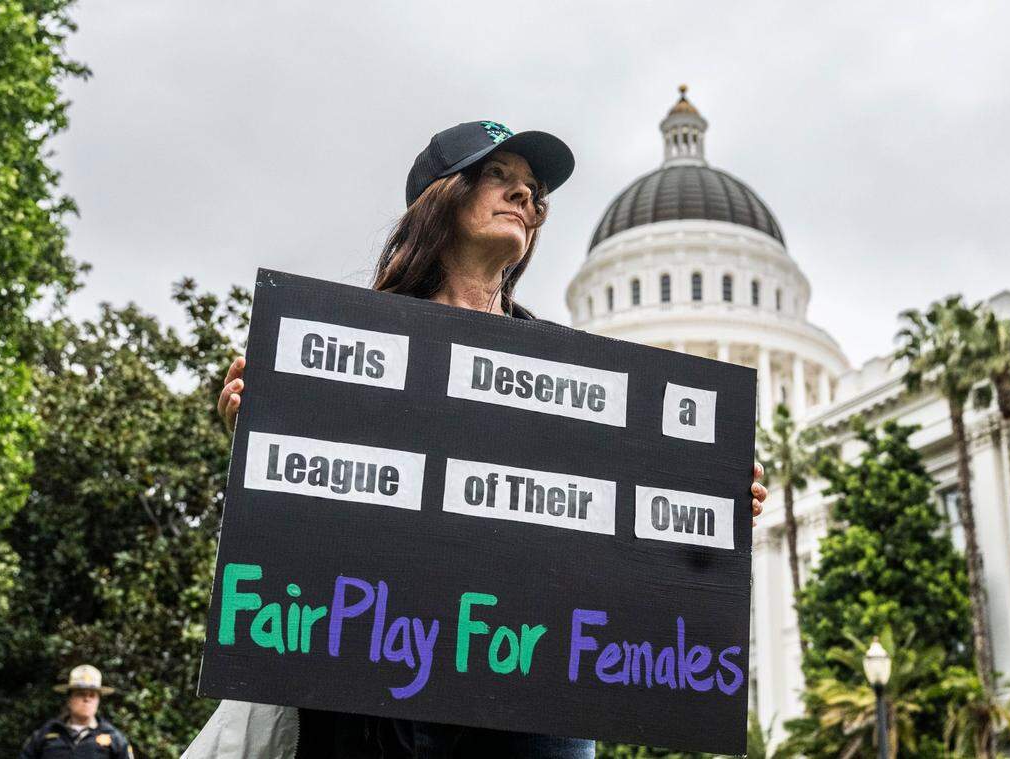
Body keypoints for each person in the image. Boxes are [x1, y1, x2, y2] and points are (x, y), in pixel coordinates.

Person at [191, 120, 768, 758]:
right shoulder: (348, 348)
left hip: (534, 688)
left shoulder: (572, 377)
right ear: (440, 197)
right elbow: (312, 514)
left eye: (533, 189)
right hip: (378, 671)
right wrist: (257, 438)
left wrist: (710, 505)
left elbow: (610, 530)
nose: (524, 196)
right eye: (498, 175)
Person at [20, 664, 133, 758]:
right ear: (69, 699)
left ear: (98, 701)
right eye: (80, 694)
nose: (87, 699)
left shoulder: (114, 738)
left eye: (92, 695)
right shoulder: (45, 734)